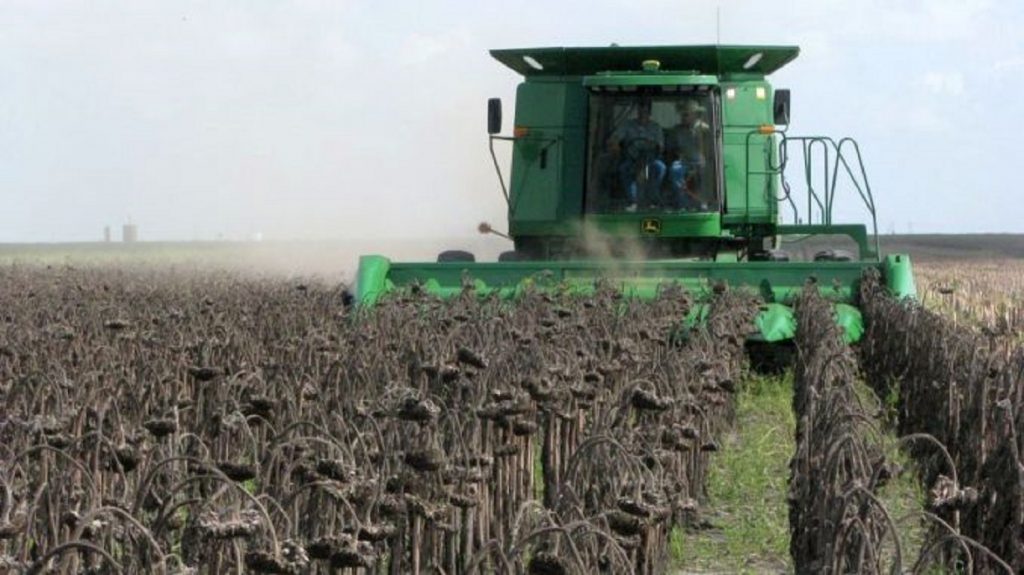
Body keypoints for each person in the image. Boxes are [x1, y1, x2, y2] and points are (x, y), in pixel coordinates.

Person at [611, 99, 665, 212]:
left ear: (649, 113)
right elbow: (615, 138)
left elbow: (660, 145)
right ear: (637, 112)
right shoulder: (628, 125)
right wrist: (615, 145)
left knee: (660, 167)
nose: (642, 114)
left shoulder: (656, 127)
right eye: (640, 111)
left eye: (645, 111)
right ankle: (633, 201)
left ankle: (653, 201)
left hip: (651, 159)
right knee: (623, 169)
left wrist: (655, 147)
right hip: (632, 158)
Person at [665, 99, 711, 211]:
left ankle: (703, 202)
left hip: (701, 162)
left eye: (686, 114)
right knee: (675, 169)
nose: (683, 117)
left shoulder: (706, 130)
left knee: (706, 172)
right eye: (682, 114)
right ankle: (683, 204)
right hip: (683, 162)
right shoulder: (677, 131)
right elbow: (670, 148)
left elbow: (710, 150)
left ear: (695, 115)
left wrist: (705, 160)